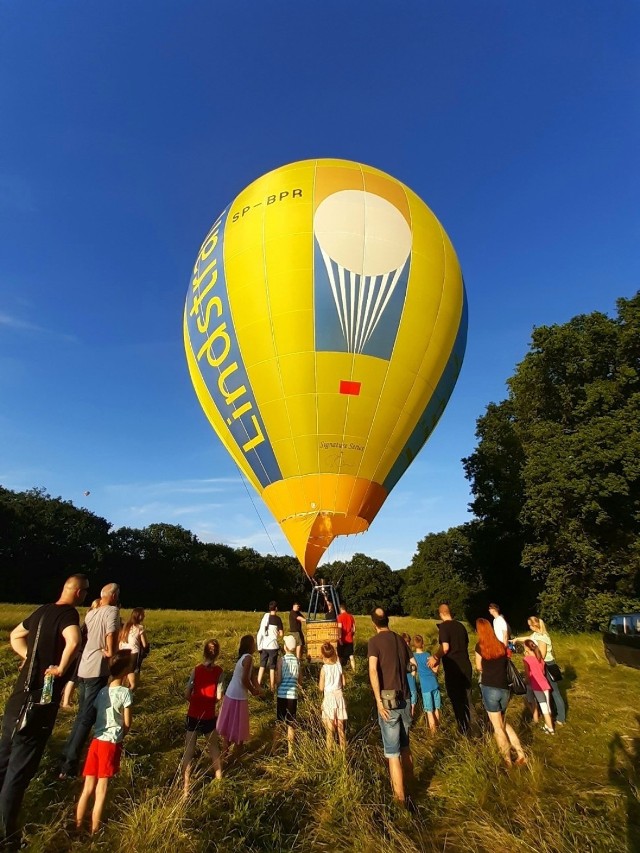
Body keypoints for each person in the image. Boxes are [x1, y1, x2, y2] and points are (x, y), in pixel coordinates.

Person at [0, 574, 88, 844]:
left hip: (17, 699)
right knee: (19, 771)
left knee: (3, 761)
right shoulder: (68, 615)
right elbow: (73, 641)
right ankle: (7, 836)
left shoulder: (41, 611)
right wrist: (60, 667)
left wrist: (29, 657)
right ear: (79, 592)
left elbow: (16, 635)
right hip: (38, 703)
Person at [59, 583, 121, 779]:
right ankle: (68, 766)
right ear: (112, 596)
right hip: (97, 668)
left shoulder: (92, 612)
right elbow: (110, 633)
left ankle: (66, 755)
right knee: (87, 718)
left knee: (81, 716)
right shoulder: (112, 611)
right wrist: (111, 652)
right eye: (117, 594)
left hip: (85, 666)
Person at [75, 650, 133, 834]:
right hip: (110, 743)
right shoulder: (125, 693)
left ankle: (77, 825)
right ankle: (94, 830)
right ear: (124, 670)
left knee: (87, 787)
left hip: (96, 741)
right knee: (101, 790)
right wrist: (121, 734)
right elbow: (127, 723)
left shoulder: (102, 692)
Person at [367, 607, 413, 802]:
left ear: (373, 623)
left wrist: (378, 701)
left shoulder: (374, 642)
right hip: (406, 698)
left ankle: (400, 798)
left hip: (388, 701)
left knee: (392, 753)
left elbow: (372, 670)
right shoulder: (400, 639)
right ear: (388, 621)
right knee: (405, 747)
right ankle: (412, 787)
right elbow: (413, 665)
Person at [474, 619, 526, 768]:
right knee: (503, 723)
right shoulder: (501, 646)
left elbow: (478, 667)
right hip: (504, 689)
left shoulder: (480, 647)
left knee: (497, 727)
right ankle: (521, 753)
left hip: (489, 688)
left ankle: (507, 761)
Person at [182, 639, 224, 796]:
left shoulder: (196, 670)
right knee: (213, 747)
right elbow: (219, 696)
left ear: (204, 652)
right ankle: (219, 778)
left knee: (189, 751)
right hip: (209, 715)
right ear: (217, 653)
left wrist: (194, 701)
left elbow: (187, 692)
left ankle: (186, 788)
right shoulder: (219, 672)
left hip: (193, 713)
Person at [429, 603, 474, 734]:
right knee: (468, 698)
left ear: (441, 614)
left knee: (457, 699)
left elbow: (445, 647)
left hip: (454, 668)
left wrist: (435, 657)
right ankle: (475, 729)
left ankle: (463, 729)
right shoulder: (461, 626)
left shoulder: (444, 627)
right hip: (466, 665)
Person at [513, 616, 566, 725]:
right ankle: (551, 712)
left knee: (554, 691)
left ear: (535, 625)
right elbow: (529, 638)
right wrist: (517, 639)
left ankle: (561, 717)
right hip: (542, 665)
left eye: (530, 625)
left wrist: (529, 656)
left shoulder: (542, 637)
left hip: (547, 665)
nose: (529, 627)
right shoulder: (536, 635)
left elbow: (541, 655)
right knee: (548, 691)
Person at [216, 635, 262, 755]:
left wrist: (258, 688)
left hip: (231, 693)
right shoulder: (249, 658)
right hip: (238, 695)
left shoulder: (244, 658)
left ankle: (225, 751)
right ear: (250, 645)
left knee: (230, 722)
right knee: (239, 723)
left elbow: (252, 676)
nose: (255, 644)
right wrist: (253, 690)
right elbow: (245, 679)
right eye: (254, 643)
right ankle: (238, 753)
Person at [62, 598, 100, 710]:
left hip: (81, 652)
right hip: (81, 652)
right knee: (73, 678)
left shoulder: (88, 620)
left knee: (74, 678)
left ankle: (67, 699)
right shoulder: (91, 622)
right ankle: (65, 702)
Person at [274, 635, 301, 755]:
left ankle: (274, 748)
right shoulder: (298, 661)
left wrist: (276, 685)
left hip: (282, 694)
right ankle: (291, 750)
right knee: (291, 723)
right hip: (293, 695)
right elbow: (300, 680)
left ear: (285, 647)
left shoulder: (281, 660)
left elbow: (279, 678)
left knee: (279, 721)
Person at [522, 640, 555, 735]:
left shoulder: (526, 659)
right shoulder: (539, 657)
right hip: (544, 683)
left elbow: (527, 675)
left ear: (527, 648)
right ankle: (548, 724)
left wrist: (526, 682)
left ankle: (550, 728)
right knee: (548, 706)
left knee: (543, 706)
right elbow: (543, 672)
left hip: (536, 685)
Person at [319, 642, 347, 752]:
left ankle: (329, 751)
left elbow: (321, 687)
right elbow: (343, 683)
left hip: (329, 698)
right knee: (341, 728)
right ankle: (343, 751)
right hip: (339, 697)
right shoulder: (338, 666)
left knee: (329, 730)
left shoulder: (324, 669)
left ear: (323, 655)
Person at [413, 635, 440, 733]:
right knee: (436, 708)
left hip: (425, 687)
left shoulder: (413, 657)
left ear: (414, 645)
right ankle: (438, 727)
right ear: (423, 644)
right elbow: (435, 670)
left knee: (429, 711)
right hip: (434, 683)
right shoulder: (428, 655)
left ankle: (433, 733)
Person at [118, 607, 148, 690]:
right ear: (138, 616)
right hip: (134, 652)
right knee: (133, 677)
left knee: (123, 673)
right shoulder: (140, 627)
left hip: (122, 652)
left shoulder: (125, 626)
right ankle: (129, 694)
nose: (144, 616)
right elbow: (145, 644)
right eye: (143, 614)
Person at [256, 602, 283, 691]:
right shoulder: (278, 619)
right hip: (273, 646)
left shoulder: (265, 618)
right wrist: (278, 632)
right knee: (272, 667)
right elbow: (281, 634)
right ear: (276, 608)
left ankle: (258, 685)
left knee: (262, 666)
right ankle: (272, 688)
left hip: (264, 645)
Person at [401, 634, 418, 716]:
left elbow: (414, 667)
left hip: (411, 682)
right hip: (405, 683)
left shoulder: (411, 653)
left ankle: (411, 717)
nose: (407, 644)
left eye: (408, 642)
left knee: (412, 702)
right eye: (406, 642)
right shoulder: (401, 654)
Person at [337, 603, 356, 671]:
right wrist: (351, 634)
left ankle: (340, 671)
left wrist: (339, 639)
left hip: (342, 639)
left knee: (340, 656)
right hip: (349, 639)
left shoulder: (340, 617)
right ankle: (354, 670)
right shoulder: (351, 616)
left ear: (341, 609)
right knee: (351, 656)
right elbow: (354, 628)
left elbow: (339, 628)